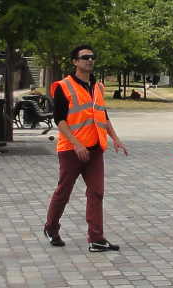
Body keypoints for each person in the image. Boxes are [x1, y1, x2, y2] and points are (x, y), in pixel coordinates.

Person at [43, 44, 128, 252]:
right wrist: (76, 143)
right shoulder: (65, 86)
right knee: (64, 192)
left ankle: (96, 239)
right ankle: (51, 227)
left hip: (95, 149)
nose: (89, 60)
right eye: (84, 57)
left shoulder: (97, 87)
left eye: (92, 57)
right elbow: (60, 120)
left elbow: (102, 116)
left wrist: (115, 138)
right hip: (72, 149)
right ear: (75, 62)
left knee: (96, 192)